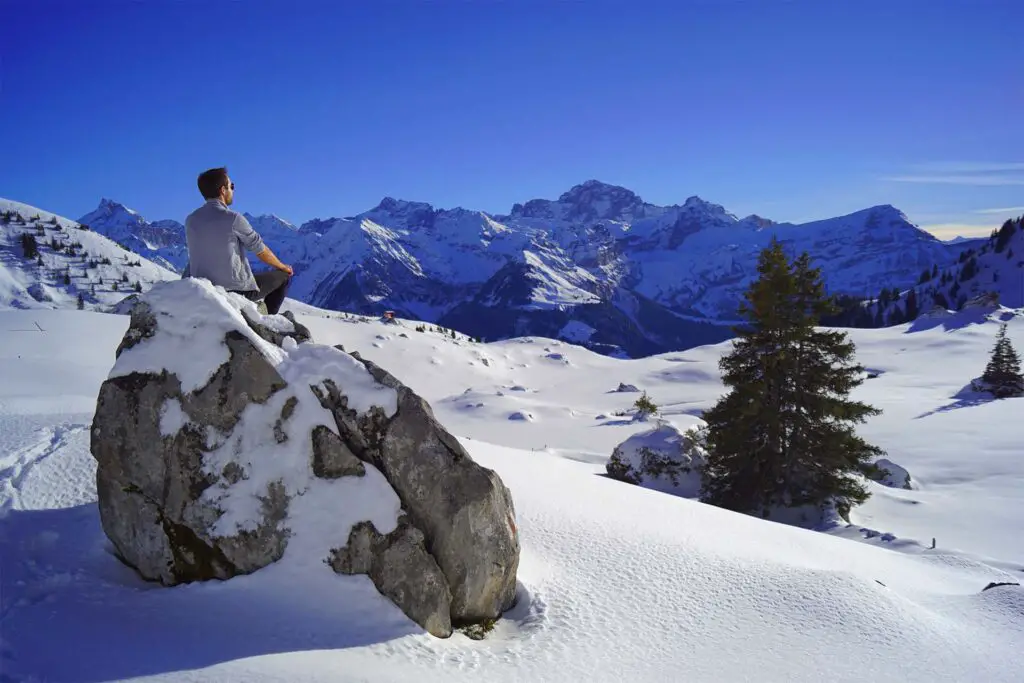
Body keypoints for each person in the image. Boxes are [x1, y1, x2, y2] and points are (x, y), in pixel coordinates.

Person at [182, 167, 293, 314]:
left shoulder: (191, 220)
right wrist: (283, 267)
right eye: (231, 186)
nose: (233, 190)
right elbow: (260, 250)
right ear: (223, 190)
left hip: (203, 290)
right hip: (234, 293)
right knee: (284, 277)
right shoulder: (233, 218)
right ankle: (266, 321)